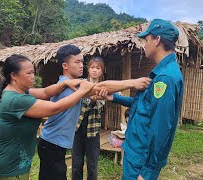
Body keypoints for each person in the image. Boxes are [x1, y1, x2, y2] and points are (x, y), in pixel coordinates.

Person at [37, 44, 151, 180]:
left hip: (54, 144)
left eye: (82, 62)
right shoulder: (72, 85)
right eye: (77, 62)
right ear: (65, 66)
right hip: (52, 144)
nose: (81, 65)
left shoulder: (70, 84)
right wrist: (133, 83)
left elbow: (100, 89)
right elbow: (102, 87)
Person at [0, 54, 95, 180]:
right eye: (29, 73)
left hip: (1, 162)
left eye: (33, 72)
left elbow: (45, 92)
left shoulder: (17, 90)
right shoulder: (16, 100)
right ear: (13, 75)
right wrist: (81, 91)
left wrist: (64, 84)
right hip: (7, 169)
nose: (33, 77)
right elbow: (55, 108)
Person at [101, 19, 184, 180]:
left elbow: (160, 130)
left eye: (146, 40)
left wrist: (147, 172)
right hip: (135, 151)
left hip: (140, 158)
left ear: (157, 40)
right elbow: (145, 106)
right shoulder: (161, 73)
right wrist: (114, 97)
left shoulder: (165, 79)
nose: (144, 44)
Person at [72, 57, 105, 180]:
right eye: (92, 67)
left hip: (93, 130)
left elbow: (101, 104)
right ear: (88, 69)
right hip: (77, 128)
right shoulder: (80, 83)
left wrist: (96, 98)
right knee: (76, 164)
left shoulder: (104, 87)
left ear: (101, 71)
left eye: (98, 68)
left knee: (92, 165)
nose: (95, 70)